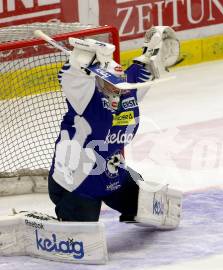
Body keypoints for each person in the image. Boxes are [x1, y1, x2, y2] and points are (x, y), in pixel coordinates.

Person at [48, 26, 181, 229]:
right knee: (84, 231)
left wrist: (154, 51)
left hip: (113, 176)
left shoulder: (128, 95)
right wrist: (80, 58)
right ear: (98, 80)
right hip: (76, 183)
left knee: (147, 207)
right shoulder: (86, 99)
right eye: (110, 84)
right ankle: (65, 216)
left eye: (120, 84)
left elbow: (146, 67)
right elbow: (68, 76)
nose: (117, 90)